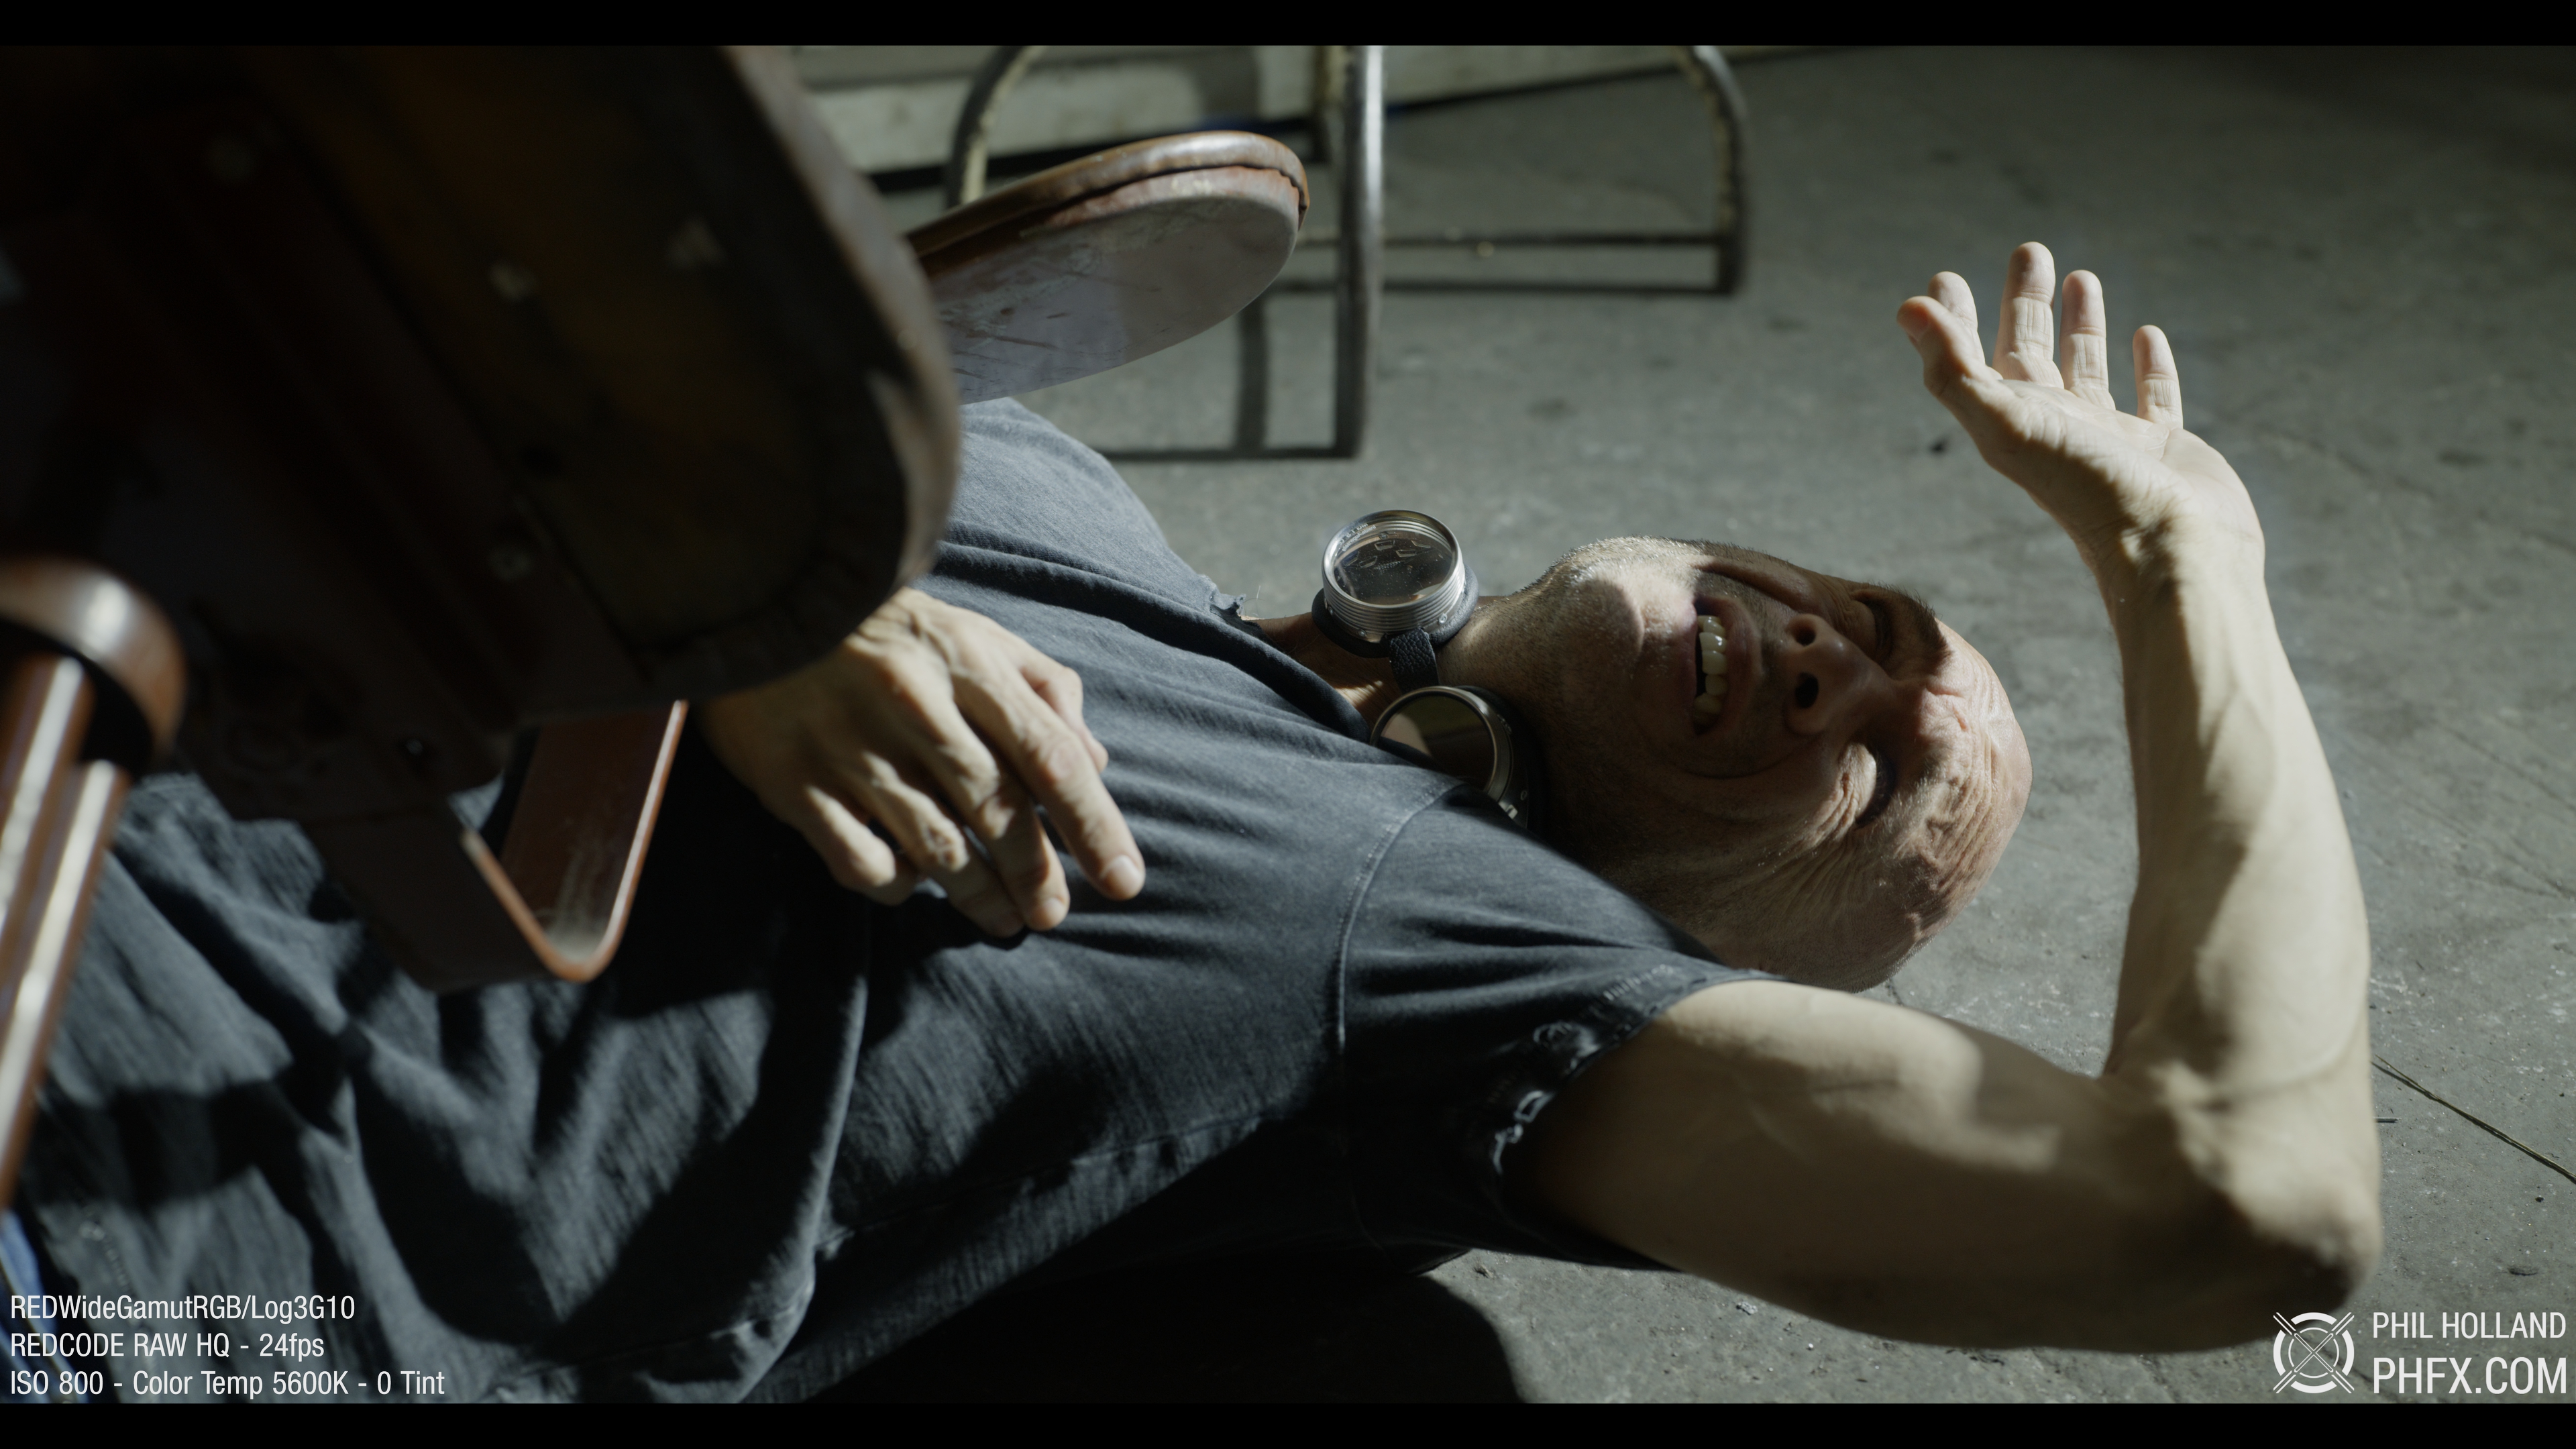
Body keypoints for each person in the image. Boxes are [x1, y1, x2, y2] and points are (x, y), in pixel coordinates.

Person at [7, 245, 2373, 1400]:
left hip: (103, 1215)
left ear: (1745, 952)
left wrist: (2187, 559)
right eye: (1886, 619)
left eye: (1885, 770)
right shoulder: (1039, 475)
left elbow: (2235, 1210)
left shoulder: (1444, 952)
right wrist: (715, 597)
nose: (1860, 666)